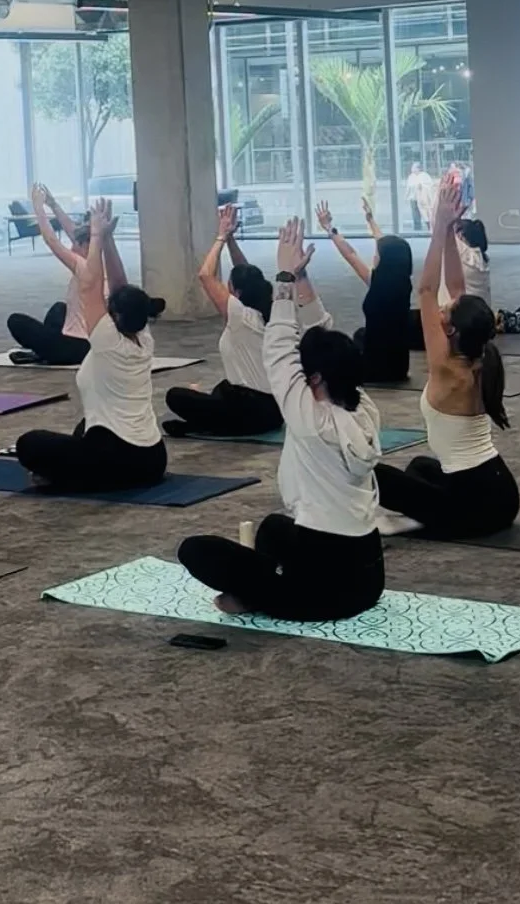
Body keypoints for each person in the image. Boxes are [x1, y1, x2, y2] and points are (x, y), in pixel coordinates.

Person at [178, 217, 384, 621]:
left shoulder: (309, 417)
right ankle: (266, 586)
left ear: (316, 378)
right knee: (272, 528)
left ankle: (263, 594)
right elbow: (324, 332)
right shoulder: (363, 407)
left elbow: (279, 349)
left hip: (325, 586)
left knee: (196, 551)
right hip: (367, 575)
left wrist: (287, 277)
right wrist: (304, 278)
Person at [376, 170, 520, 540]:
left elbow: (426, 288)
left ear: (451, 331)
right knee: (420, 467)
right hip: (499, 489)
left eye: (445, 315)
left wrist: (439, 226)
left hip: (476, 503)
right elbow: (455, 288)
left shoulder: (445, 368)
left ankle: (417, 516)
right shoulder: (477, 358)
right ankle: (422, 513)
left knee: (375, 475)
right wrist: (452, 225)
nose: (441, 311)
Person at [15, 198, 167, 491]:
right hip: (153, 458)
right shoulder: (144, 337)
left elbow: (92, 284)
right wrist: (107, 238)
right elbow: (121, 284)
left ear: (117, 315)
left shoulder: (107, 338)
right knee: (84, 430)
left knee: (29, 444)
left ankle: (69, 476)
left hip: (121, 458)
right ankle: (73, 472)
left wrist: (98, 236)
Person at [163, 204, 330, 438]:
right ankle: (206, 425)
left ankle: (206, 426)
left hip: (249, 410)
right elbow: (245, 271)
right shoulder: (274, 306)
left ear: (236, 292)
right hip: (276, 410)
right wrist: (232, 240)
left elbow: (205, 275)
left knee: (176, 396)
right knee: (223, 387)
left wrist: (221, 236)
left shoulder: (241, 316)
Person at [6, 184, 126, 365]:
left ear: (85, 246)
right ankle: (44, 352)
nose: (71, 246)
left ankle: (45, 352)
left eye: (75, 244)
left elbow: (51, 239)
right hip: (90, 342)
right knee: (58, 309)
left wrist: (38, 207)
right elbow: (74, 231)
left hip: (74, 348)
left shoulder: (84, 268)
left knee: (15, 322)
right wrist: (53, 204)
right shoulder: (100, 262)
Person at [316, 198, 414, 384]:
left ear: (385, 260)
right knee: (361, 334)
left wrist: (329, 228)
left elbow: (350, 254)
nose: (374, 256)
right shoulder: (403, 283)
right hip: (400, 367)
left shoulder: (377, 283)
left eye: (377, 255)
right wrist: (370, 220)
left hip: (374, 368)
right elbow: (385, 244)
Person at [406, 160, 434, 232]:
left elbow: (429, 185)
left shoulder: (425, 175)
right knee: (415, 212)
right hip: (413, 197)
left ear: (418, 168)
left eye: (414, 167)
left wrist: (421, 186)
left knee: (425, 211)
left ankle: (429, 225)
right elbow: (409, 187)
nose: (412, 169)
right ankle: (417, 227)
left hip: (422, 198)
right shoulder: (411, 176)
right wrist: (407, 195)